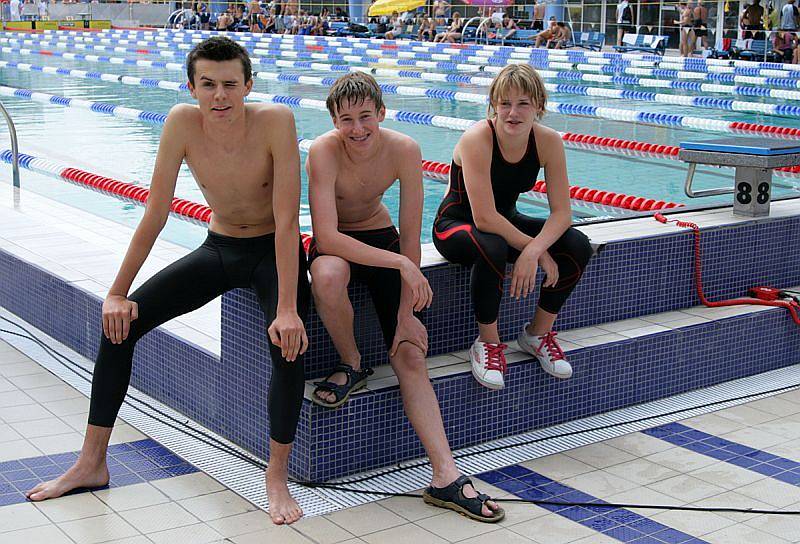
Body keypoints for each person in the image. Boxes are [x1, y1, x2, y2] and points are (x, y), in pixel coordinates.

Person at [24, 37, 310, 527]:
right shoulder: (180, 122)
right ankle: (92, 462)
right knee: (121, 324)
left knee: (288, 345)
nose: (220, 96)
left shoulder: (276, 122)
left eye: (229, 85)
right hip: (219, 247)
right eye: (208, 85)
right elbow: (156, 213)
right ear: (191, 87)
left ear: (249, 85)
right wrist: (116, 293)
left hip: (270, 249)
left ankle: (275, 476)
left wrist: (287, 308)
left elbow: (287, 223)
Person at [306, 72, 505, 523]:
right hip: (340, 245)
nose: (356, 129)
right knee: (328, 277)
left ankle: (446, 478)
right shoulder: (322, 151)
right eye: (345, 120)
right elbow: (326, 235)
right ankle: (352, 362)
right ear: (333, 120)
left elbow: (410, 239)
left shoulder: (405, 149)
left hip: (384, 240)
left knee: (411, 355)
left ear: (381, 112)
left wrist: (404, 315)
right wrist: (399, 265)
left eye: (364, 117)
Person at [432, 64, 593, 390]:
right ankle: (488, 343)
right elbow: (485, 219)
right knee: (493, 243)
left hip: (504, 222)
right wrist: (532, 250)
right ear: (494, 106)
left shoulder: (548, 142)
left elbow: (562, 213)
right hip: (457, 226)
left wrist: (535, 250)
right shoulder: (478, 137)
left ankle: (537, 334)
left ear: (539, 106)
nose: (513, 112)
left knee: (576, 243)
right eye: (504, 103)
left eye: (523, 104)